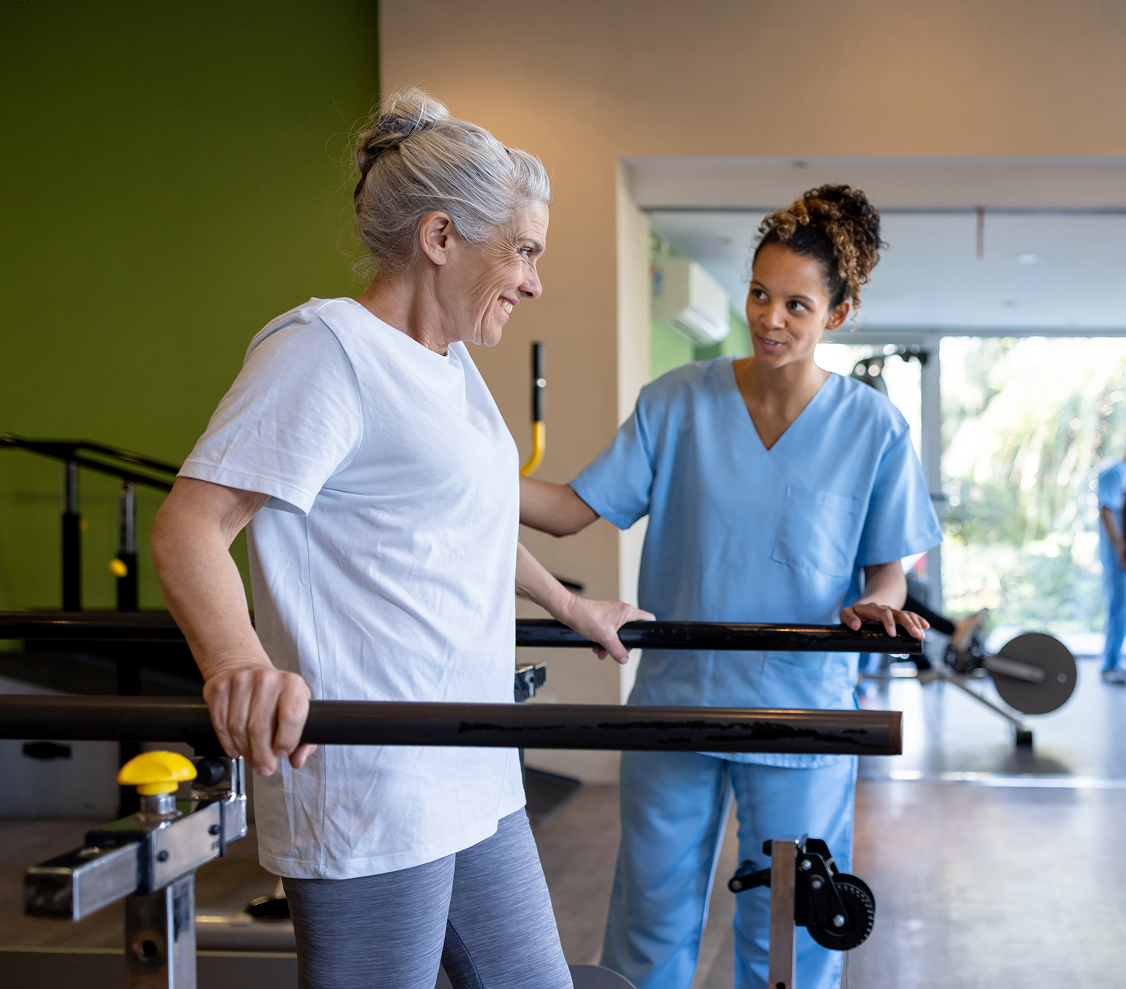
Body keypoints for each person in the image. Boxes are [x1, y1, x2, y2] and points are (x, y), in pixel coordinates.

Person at [151, 88, 651, 989]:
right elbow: (191, 522)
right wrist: (236, 662)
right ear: (441, 236)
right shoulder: (324, 351)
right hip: (374, 784)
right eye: (525, 250)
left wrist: (570, 604)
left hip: (472, 764)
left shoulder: (452, 366)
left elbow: (463, 524)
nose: (535, 280)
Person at [520, 185, 943, 989]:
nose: (770, 318)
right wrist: (462, 466)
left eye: (796, 304)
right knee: (651, 917)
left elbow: (887, 574)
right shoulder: (675, 402)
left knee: (792, 927)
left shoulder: (873, 428)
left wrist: (877, 605)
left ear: (839, 315)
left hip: (802, 712)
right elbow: (573, 510)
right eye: (758, 292)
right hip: (676, 703)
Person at [1097, 455, 1126, 684]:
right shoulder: (1113, 473)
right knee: (1120, 605)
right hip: (1118, 552)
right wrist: (1119, 545)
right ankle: (1110, 665)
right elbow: (1107, 511)